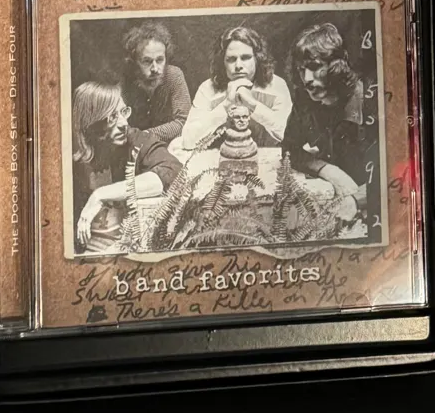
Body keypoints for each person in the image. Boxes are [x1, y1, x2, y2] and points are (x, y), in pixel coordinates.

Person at [71, 80, 180, 251]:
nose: (123, 124)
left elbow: (173, 173)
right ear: (91, 122)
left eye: (123, 112)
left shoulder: (135, 139)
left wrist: (100, 194)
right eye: (112, 117)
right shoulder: (67, 154)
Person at [281, 23, 378, 206]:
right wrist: (327, 170)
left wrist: (356, 201)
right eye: (301, 70)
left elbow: (391, 172)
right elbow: (289, 149)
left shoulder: (369, 100)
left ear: (336, 65)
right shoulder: (305, 101)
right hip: (334, 199)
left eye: (315, 67)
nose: (307, 79)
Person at [178, 26, 292, 151]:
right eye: (231, 59)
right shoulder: (207, 88)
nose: (238, 66)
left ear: (257, 58)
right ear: (222, 62)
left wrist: (252, 104)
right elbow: (187, 141)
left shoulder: (277, 85)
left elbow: (289, 135)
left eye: (245, 58)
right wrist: (226, 104)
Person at [119, 21, 192, 144]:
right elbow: (116, 120)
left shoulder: (174, 76)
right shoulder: (126, 82)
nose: (155, 68)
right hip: (133, 145)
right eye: (147, 61)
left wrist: (145, 135)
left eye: (160, 60)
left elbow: (183, 122)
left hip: (170, 145)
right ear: (134, 62)